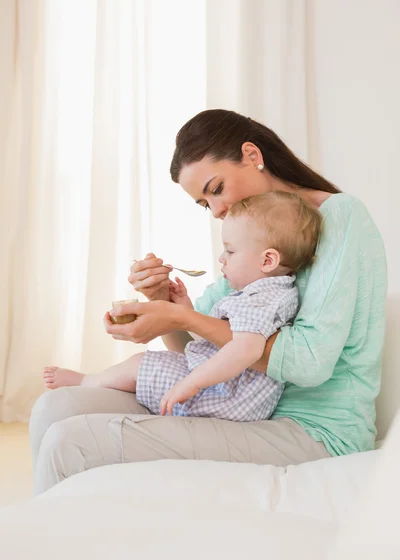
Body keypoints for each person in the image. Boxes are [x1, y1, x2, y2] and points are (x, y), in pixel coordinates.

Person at [30, 109, 387, 496]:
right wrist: (163, 305)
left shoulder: (340, 218)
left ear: (252, 155)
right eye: (204, 203)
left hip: (313, 429)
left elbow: (309, 362)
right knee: (56, 408)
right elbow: (197, 350)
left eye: (216, 188)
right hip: (235, 405)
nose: (216, 211)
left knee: (72, 442)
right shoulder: (250, 239)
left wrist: (180, 317)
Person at [43, 192, 321, 422]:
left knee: (140, 364)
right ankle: (97, 382)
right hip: (230, 392)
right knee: (143, 367)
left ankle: (87, 382)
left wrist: (192, 383)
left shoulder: (262, 298)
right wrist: (186, 310)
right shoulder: (266, 292)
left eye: (231, 251)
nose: (222, 259)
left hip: (227, 396)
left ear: (268, 260)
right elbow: (219, 340)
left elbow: (245, 350)